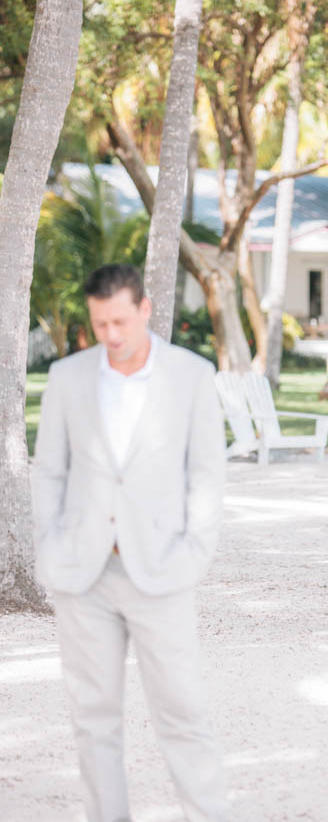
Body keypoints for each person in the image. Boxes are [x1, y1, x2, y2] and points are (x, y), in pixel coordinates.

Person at [31, 264, 227, 822]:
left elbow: (207, 475)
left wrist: (193, 556)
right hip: (83, 576)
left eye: (120, 320)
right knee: (93, 721)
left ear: (144, 310)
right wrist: (50, 550)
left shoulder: (191, 376)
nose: (111, 335)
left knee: (183, 714)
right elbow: (49, 473)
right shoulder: (68, 378)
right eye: (100, 324)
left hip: (162, 571)